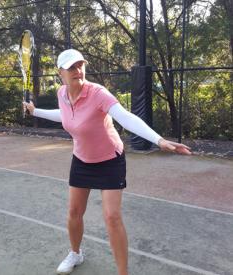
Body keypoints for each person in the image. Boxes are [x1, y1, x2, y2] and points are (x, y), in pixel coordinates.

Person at [23, 49, 192, 275]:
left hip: (110, 160)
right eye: (71, 67)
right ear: (60, 73)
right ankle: (75, 254)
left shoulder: (98, 94)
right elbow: (63, 115)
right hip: (82, 160)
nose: (78, 70)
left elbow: (125, 117)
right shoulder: (62, 94)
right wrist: (36, 112)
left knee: (112, 217)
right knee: (74, 212)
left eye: (80, 65)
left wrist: (158, 140)